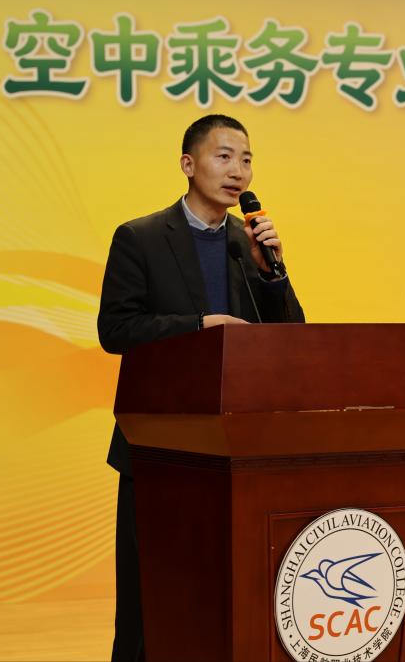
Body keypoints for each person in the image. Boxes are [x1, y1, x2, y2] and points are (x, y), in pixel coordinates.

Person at [97, 114, 305, 661]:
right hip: (158, 449)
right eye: (224, 156)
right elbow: (115, 330)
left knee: (223, 599)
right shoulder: (140, 237)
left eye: (247, 159)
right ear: (188, 164)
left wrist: (273, 273)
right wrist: (198, 326)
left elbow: (292, 338)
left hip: (235, 452)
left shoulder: (246, 243)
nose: (239, 171)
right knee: (149, 601)